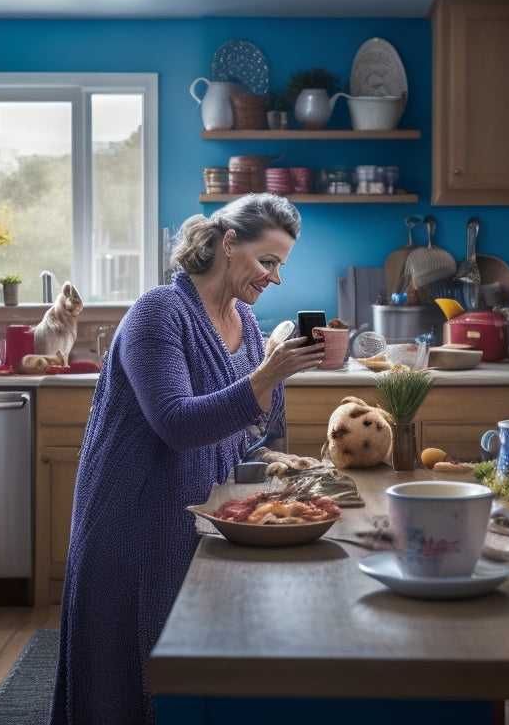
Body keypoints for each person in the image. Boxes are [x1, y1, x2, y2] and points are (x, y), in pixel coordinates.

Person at [50, 192, 324, 724]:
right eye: (267, 261)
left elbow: (248, 434)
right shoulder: (158, 313)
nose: (275, 277)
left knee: (181, 676)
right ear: (228, 244)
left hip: (196, 522)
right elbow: (177, 424)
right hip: (130, 521)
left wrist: (280, 459)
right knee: (123, 678)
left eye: (281, 265)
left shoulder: (247, 324)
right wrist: (269, 375)